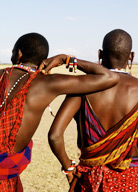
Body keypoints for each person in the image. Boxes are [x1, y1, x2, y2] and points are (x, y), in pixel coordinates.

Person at [0, 33, 119, 191]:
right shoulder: (48, 83)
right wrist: (65, 59)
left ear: (19, 53)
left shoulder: (2, 75)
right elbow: (110, 77)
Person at [48, 29, 138, 192]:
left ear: (100, 54)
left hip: (88, 181)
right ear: (131, 56)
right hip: (130, 180)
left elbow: (55, 135)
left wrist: (69, 168)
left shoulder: (83, 88)